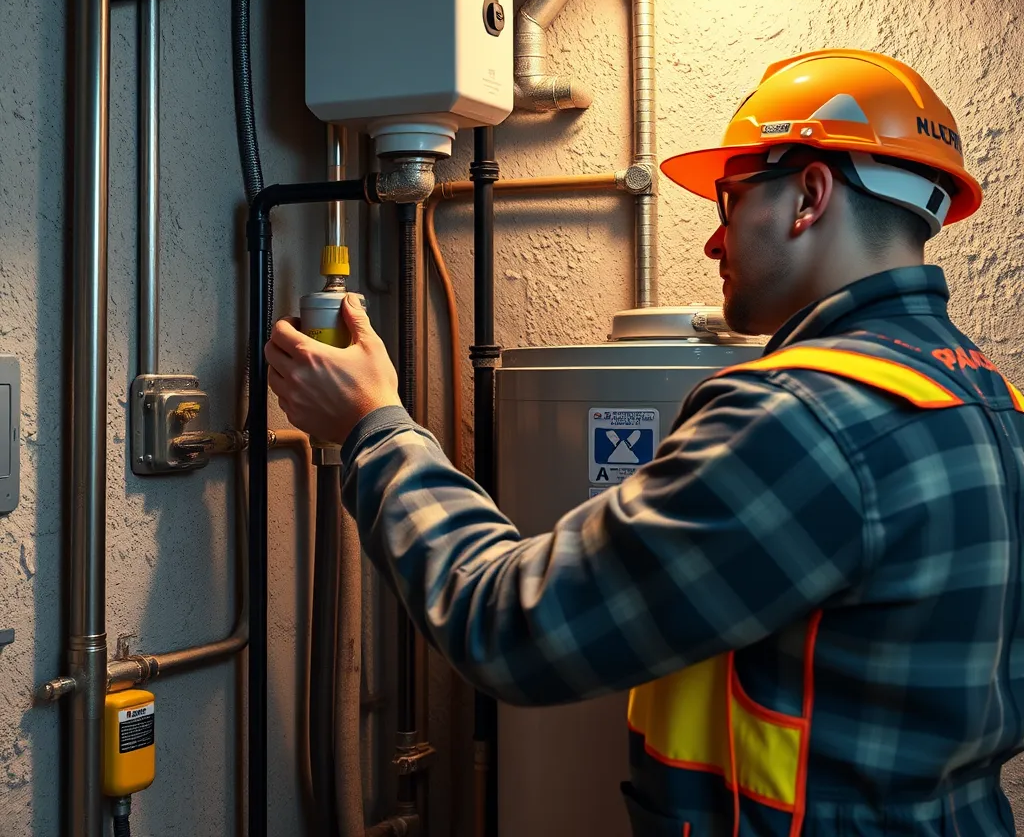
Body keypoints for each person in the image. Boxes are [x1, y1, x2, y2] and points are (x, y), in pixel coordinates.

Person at [266, 50, 1024, 836]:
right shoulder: (996, 404)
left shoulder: (802, 416)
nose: (714, 242)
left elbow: (511, 627)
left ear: (809, 195)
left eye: (731, 201)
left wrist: (374, 425)